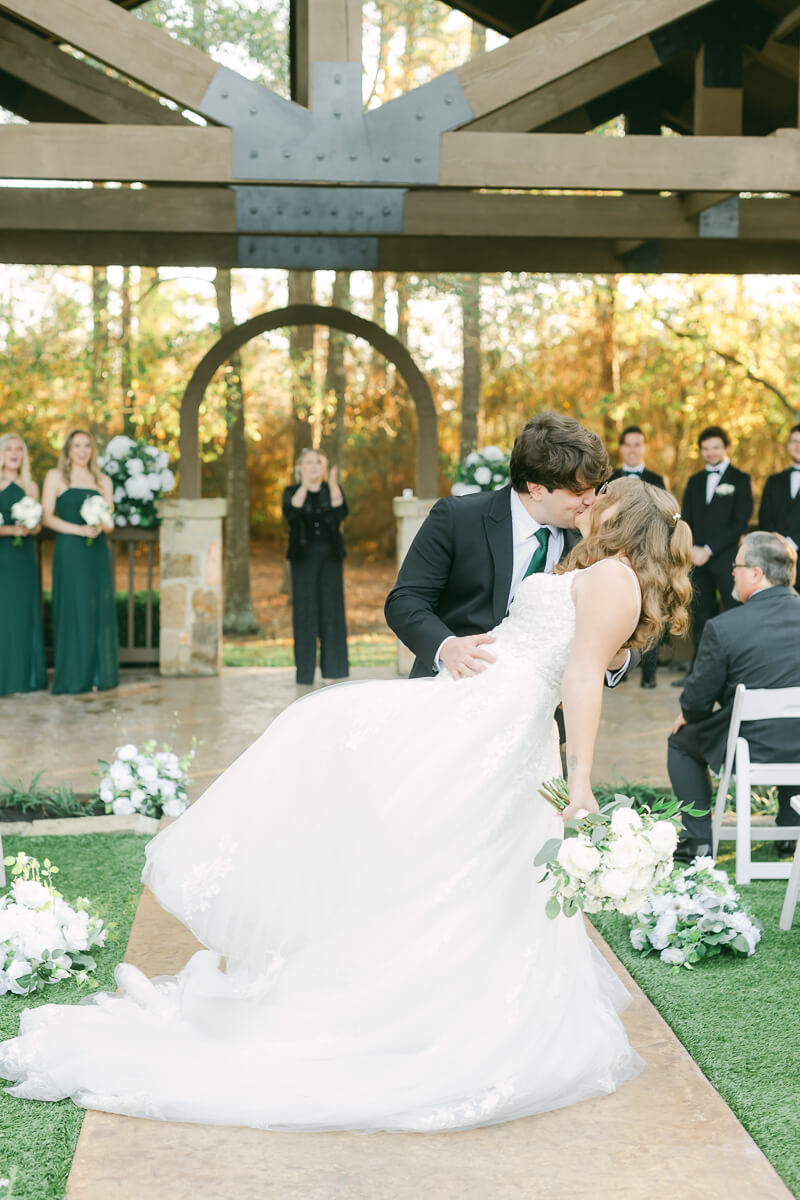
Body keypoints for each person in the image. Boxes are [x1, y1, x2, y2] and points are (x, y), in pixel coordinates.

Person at [0, 477, 693, 1132]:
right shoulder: (593, 571)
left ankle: (421, 1002)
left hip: (502, 722)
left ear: (621, 515)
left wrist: (580, 782)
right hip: (479, 707)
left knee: (430, 829)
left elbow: (582, 675)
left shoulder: (612, 576)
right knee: (422, 830)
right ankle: (403, 987)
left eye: (602, 497)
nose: (589, 502)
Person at [385, 410, 625, 682]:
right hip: (452, 689)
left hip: (542, 706)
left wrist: (616, 658)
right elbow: (404, 601)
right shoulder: (457, 519)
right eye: (579, 492)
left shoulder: (592, 538)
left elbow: (626, 624)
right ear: (535, 489)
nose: (592, 501)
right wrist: (447, 646)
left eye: (595, 489)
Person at [668, 531, 800, 863]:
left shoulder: (724, 627)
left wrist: (688, 715)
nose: (732, 572)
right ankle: (790, 833)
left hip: (750, 747)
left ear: (756, 573)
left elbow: (696, 704)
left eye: (737, 566)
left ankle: (698, 839)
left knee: (681, 740)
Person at [42, 429, 119, 695]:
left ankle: (99, 674)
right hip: (70, 550)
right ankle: (74, 676)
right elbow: (47, 518)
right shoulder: (56, 477)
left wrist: (100, 525)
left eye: (87, 445)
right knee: (73, 609)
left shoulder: (103, 481)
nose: (82, 450)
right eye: (77, 445)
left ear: (92, 450)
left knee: (97, 609)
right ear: (68, 449)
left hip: (97, 551)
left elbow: (110, 524)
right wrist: (79, 530)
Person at [679, 424, 753, 673]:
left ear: (726, 448)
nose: (710, 453)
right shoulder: (695, 481)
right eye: (706, 449)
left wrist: (709, 549)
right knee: (700, 615)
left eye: (715, 448)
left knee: (733, 612)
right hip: (697, 560)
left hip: (727, 560)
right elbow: (685, 518)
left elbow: (740, 523)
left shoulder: (740, 479)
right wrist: (692, 548)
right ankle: (698, 671)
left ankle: (737, 667)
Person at [282, 448, 349, 688]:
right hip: (302, 560)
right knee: (305, 613)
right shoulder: (292, 491)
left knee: (332, 612)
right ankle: (305, 673)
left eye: (317, 463)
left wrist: (331, 483)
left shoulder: (330, 490)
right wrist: (304, 484)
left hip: (330, 558)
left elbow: (341, 512)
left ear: (324, 467)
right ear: (301, 467)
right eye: (308, 463)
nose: (313, 467)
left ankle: (333, 669)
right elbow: (291, 511)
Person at [607, 426, 666, 688]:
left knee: (648, 612)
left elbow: (664, 518)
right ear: (621, 448)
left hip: (648, 555)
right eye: (628, 444)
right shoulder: (609, 479)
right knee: (617, 610)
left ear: (644, 447)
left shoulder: (657, 479)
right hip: (614, 553)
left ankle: (649, 674)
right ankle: (618, 668)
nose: (632, 449)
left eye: (637, 444)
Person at [0, 432, 47, 694]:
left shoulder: (31, 486)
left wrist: (30, 526)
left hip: (24, 557)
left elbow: (38, 524)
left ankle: (24, 677)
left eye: (19, 450)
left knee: (22, 613)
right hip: (2, 556)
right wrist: (10, 531)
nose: (14, 454)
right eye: (9, 449)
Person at [758, 423, 800, 593]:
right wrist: (779, 544)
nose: (798, 446)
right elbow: (765, 517)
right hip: (776, 559)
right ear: (788, 445)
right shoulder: (774, 481)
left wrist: (793, 543)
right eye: (794, 441)